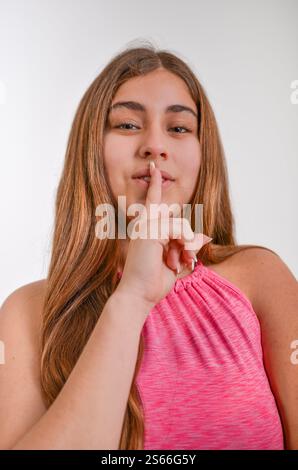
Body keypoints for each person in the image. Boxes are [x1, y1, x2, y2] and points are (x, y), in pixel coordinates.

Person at [0, 43, 297, 451]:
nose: (155, 145)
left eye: (178, 128)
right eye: (126, 125)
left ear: (201, 155)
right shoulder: (28, 312)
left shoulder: (261, 277)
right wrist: (131, 298)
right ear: (91, 151)